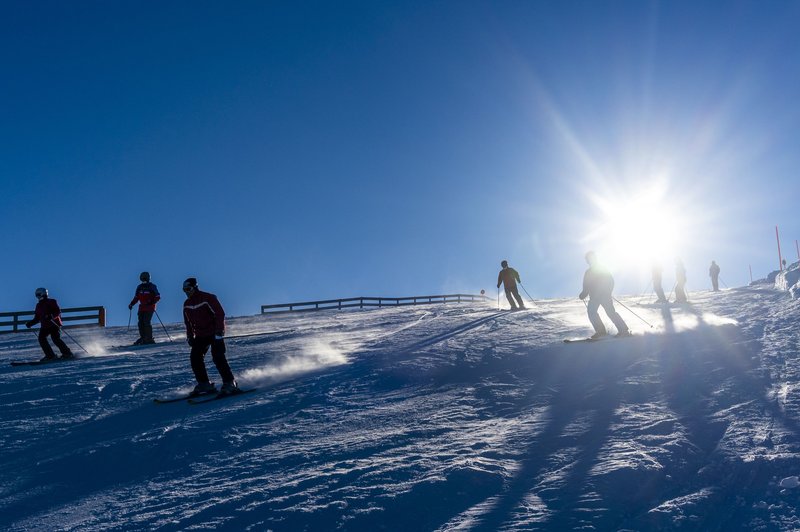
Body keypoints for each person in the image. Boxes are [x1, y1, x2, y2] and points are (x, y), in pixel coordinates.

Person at [182, 278, 239, 395]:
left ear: (195, 287)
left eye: (188, 289)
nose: (186, 292)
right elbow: (187, 322)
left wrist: (219, 330)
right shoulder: (187, 304)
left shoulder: (207, 297)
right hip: (200, 335)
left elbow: (220, 313)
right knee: (195, 357)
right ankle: (204, 384)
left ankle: (230, 382)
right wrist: (190, 336)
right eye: (184, 290)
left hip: (214, 332)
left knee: (218, 356)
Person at [578, 251, 630, 339]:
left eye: (591, 258)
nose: (589, 260)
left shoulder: (601, 268)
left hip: (604, 295)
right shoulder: (588, 272)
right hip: (594, 297)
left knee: (610, 312)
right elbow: (586, 285)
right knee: (591, 312)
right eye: (588, 259)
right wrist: (583, 294)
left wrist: (608, 291)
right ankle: (601, 331)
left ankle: (623, 330)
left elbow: (610, 281)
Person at [26, 287, 74, 362]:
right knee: (41, 339)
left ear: (44, 293)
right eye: (36, 295)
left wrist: (51, 316)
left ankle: (67, 353)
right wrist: (30, 323)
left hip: (54, 324)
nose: (37, 296)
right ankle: (50, 355)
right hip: (45, 326)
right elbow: (37, 318)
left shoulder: (51, 301)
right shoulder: (38, 305)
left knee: (55, 339)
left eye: (38, 294)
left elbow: (57, 311)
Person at [128, 271, 161, 345]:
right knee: (140, 323)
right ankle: (143, 337)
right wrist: (131, 304)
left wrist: (152, 302)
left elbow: (158, 296)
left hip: (149, 307)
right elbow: (136, 297)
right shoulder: (139, 287)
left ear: (148, 278)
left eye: (145, 278)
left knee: (146, 321)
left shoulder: (152, 286)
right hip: (142, 307)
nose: (144, 280)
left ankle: (149, 338)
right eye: (142, 279)